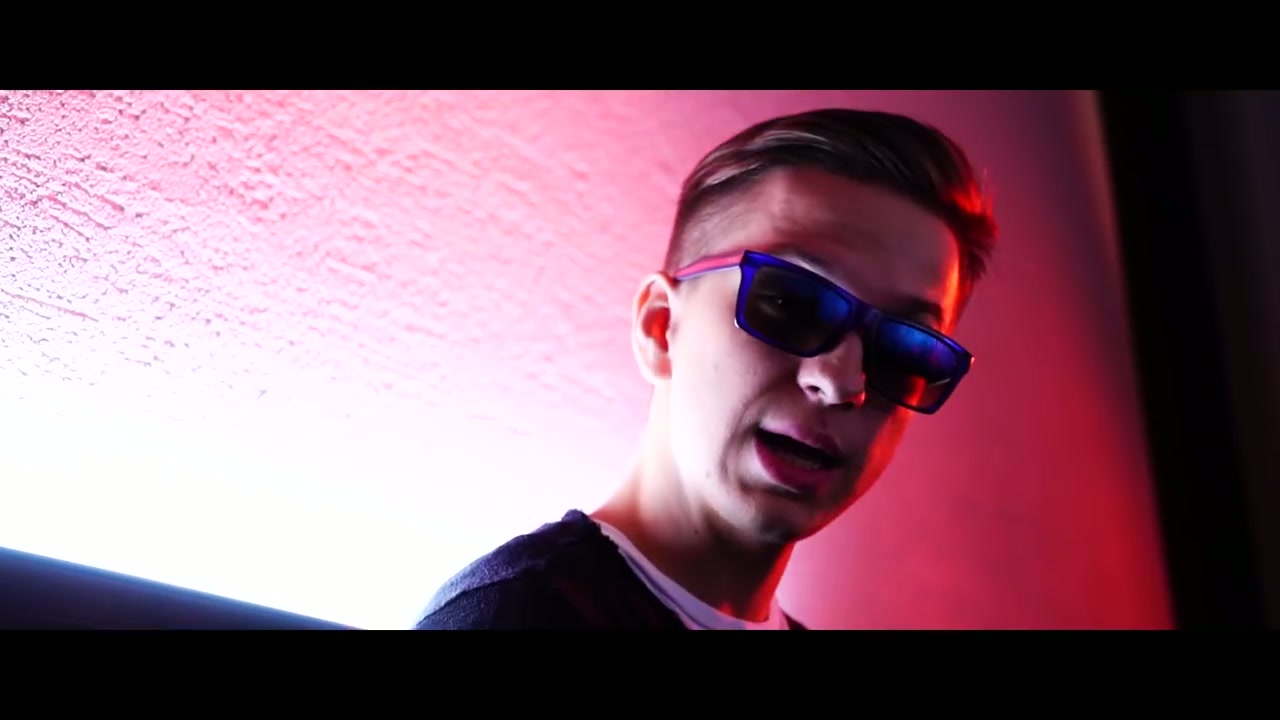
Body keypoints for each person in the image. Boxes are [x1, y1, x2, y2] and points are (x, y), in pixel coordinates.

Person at [414, 107, 997, 630]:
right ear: (661, 326)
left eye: (905, 347)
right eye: (790, 302)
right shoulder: (516, 617)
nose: (842, 383)